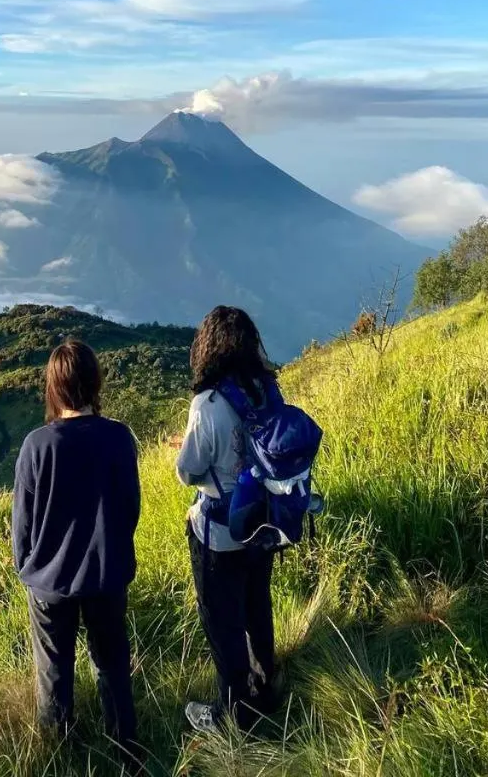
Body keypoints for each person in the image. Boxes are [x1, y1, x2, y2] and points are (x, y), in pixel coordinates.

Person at [12, 339, 141, 759]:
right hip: (106, 574)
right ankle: (127, 750)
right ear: (94, 382)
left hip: (49, 582)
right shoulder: (119, 438)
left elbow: (23, 523)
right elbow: (129, 509)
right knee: (112, 665)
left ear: (54, 387)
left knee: (54, 671)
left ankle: (59, 756)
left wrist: (27, 567)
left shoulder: (37, 446)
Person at [175, 306, 281, 733]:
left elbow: (187, 470)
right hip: (264, 527)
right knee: (257, 605)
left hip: (219, 534)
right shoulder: (267, 390)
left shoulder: (208, 403)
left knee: (223, 623)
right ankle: (266, 684)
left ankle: (232, 713)